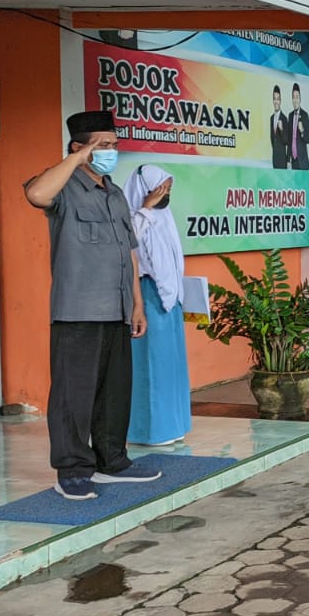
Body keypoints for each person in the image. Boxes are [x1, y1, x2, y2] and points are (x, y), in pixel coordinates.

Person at [25, 111, 162, 501]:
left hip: (117, 308)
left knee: (114, 392)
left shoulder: (114, 193)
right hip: (78, 309)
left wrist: (137, 305)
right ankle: (72, 470)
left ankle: (111, 462)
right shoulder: (64, 188)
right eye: (103, 145)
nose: (111, 151)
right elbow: (36, 195)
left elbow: (130, 252)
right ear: (78, 147)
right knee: (74, 395)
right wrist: (76, 160)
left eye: (114, 145)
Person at [126, 164, 192, 447]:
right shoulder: (131, 215)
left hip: (169, 297)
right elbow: (128, 244)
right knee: (149, 365)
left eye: (169, 189)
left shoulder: (165, 216)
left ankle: (174, 425)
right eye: (160, 188)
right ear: (145, 189)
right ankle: (148, 431)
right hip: (145, 296)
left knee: (171, 365)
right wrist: (145, 209)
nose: (165, 193)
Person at [288, 83, 309, 171]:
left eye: (297, 97)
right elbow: (290, 139)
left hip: (302, 162)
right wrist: (288, 160)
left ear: (300, 98)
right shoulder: (290, 116)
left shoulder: (305, 115)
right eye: (293, 97)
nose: (295, 100)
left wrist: (302, 131)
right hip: (293, 162)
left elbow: (308, 139)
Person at [269, 86, 290, 170]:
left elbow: (287, 141)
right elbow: (272, 138)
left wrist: (281, 129)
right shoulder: (271, 118)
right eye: (274, 99)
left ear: (280, 101)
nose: (276, 101)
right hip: (274, 158)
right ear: (272, 100)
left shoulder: (284, 118)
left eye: (278, 99)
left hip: (282, 159)